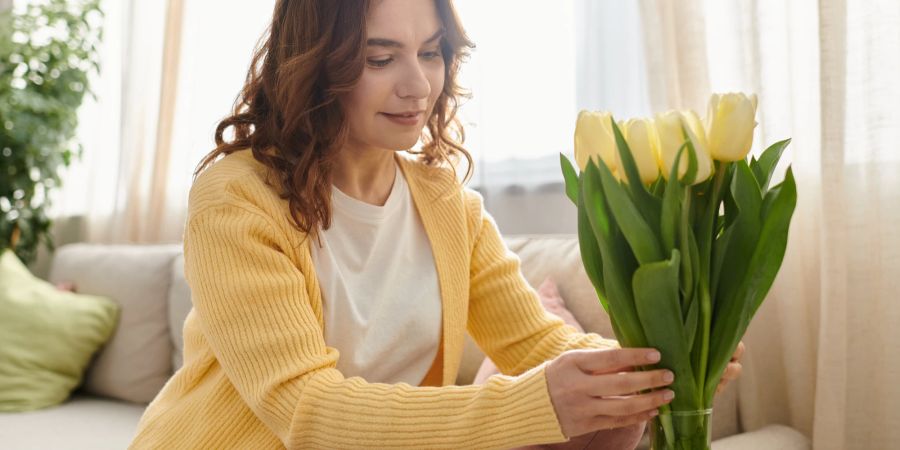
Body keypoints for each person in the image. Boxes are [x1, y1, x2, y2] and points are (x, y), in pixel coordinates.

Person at [129, 1, 743, 448]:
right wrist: (530, 402)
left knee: (613, 425)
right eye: (380, 58)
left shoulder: (444, 201)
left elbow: (535, 342)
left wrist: (663, 371)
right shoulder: (237, 199)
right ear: (315, 66)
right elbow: (307, 413)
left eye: (431, 52)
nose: (418, 85)